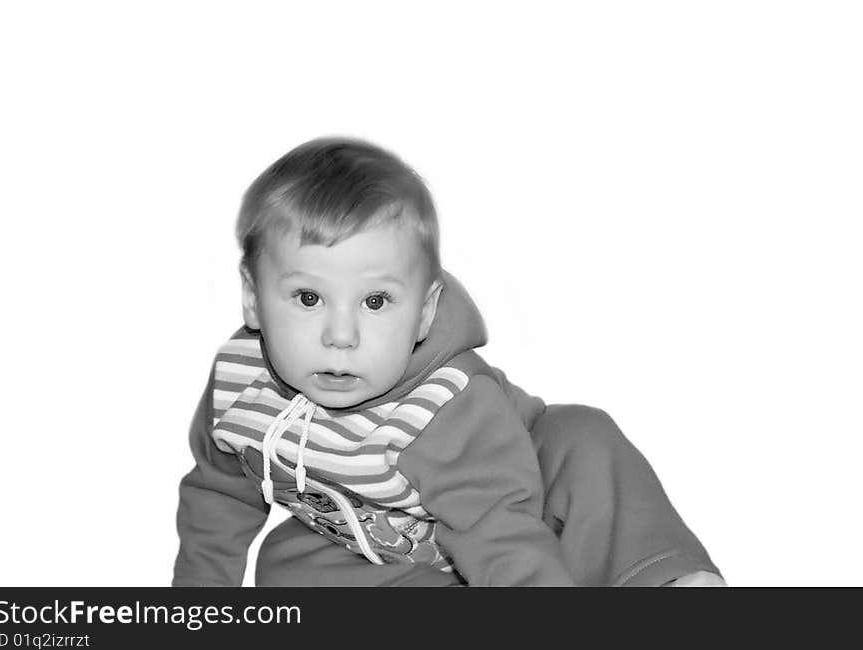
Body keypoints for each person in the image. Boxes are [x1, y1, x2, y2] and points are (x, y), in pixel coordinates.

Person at [172, 137, 724, 586]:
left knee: (582, 438)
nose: (341, 336)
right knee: (286, 568)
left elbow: (496, 527)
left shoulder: (445, 404)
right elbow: (218, 496)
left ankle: (665, 581)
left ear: (423, 312)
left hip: (512, 501)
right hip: (381, 538)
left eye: (376, 302)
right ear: (252, 296)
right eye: (308, 298)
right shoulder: (237, 385)